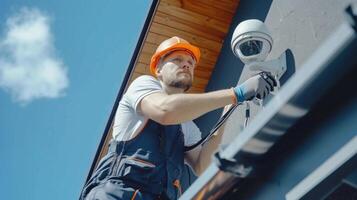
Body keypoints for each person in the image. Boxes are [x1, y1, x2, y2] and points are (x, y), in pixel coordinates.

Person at [81, 36, 276, 200]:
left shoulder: (187, 127)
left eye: (191, 63)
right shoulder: (142, 86)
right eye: (177, 59)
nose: (187, 64)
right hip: (115, 194)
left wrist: (227, 109)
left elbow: (202, 166)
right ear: (158, 69)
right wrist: (236, 93)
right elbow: (165, 111)